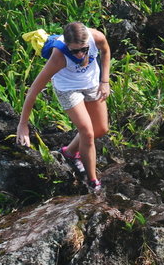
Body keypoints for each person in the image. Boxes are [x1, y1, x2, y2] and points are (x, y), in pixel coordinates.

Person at [16, 21, 111, 193]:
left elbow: (105, 52)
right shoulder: (58, 57)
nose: (81, 54)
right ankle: (93, 182)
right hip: (67, 88)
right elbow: (33, 91)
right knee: (87, 132)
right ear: (67, 45)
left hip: (91, 83)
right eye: (75, 51)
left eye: (84, 49)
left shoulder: (96, 37)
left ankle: (69, 152)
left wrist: (105, 81)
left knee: (101, 129)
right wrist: (23, 125)